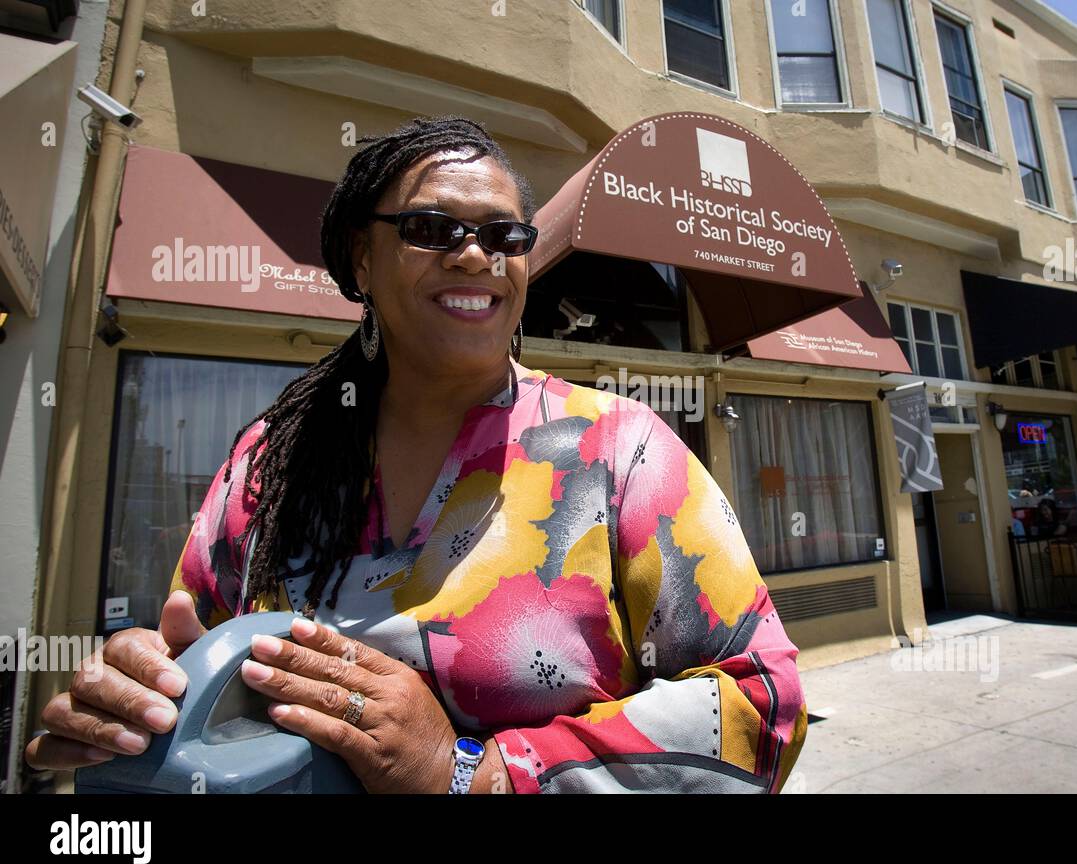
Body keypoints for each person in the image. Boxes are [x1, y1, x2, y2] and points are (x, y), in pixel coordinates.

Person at [25, 116, 808, 794]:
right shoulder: (270, 464)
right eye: (431, 230)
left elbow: (761, 699)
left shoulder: (619, 451)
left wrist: (477, 773)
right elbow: (196, 656)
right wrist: (138, 699)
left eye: (505, 236)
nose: (475, 256)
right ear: (362, 262)